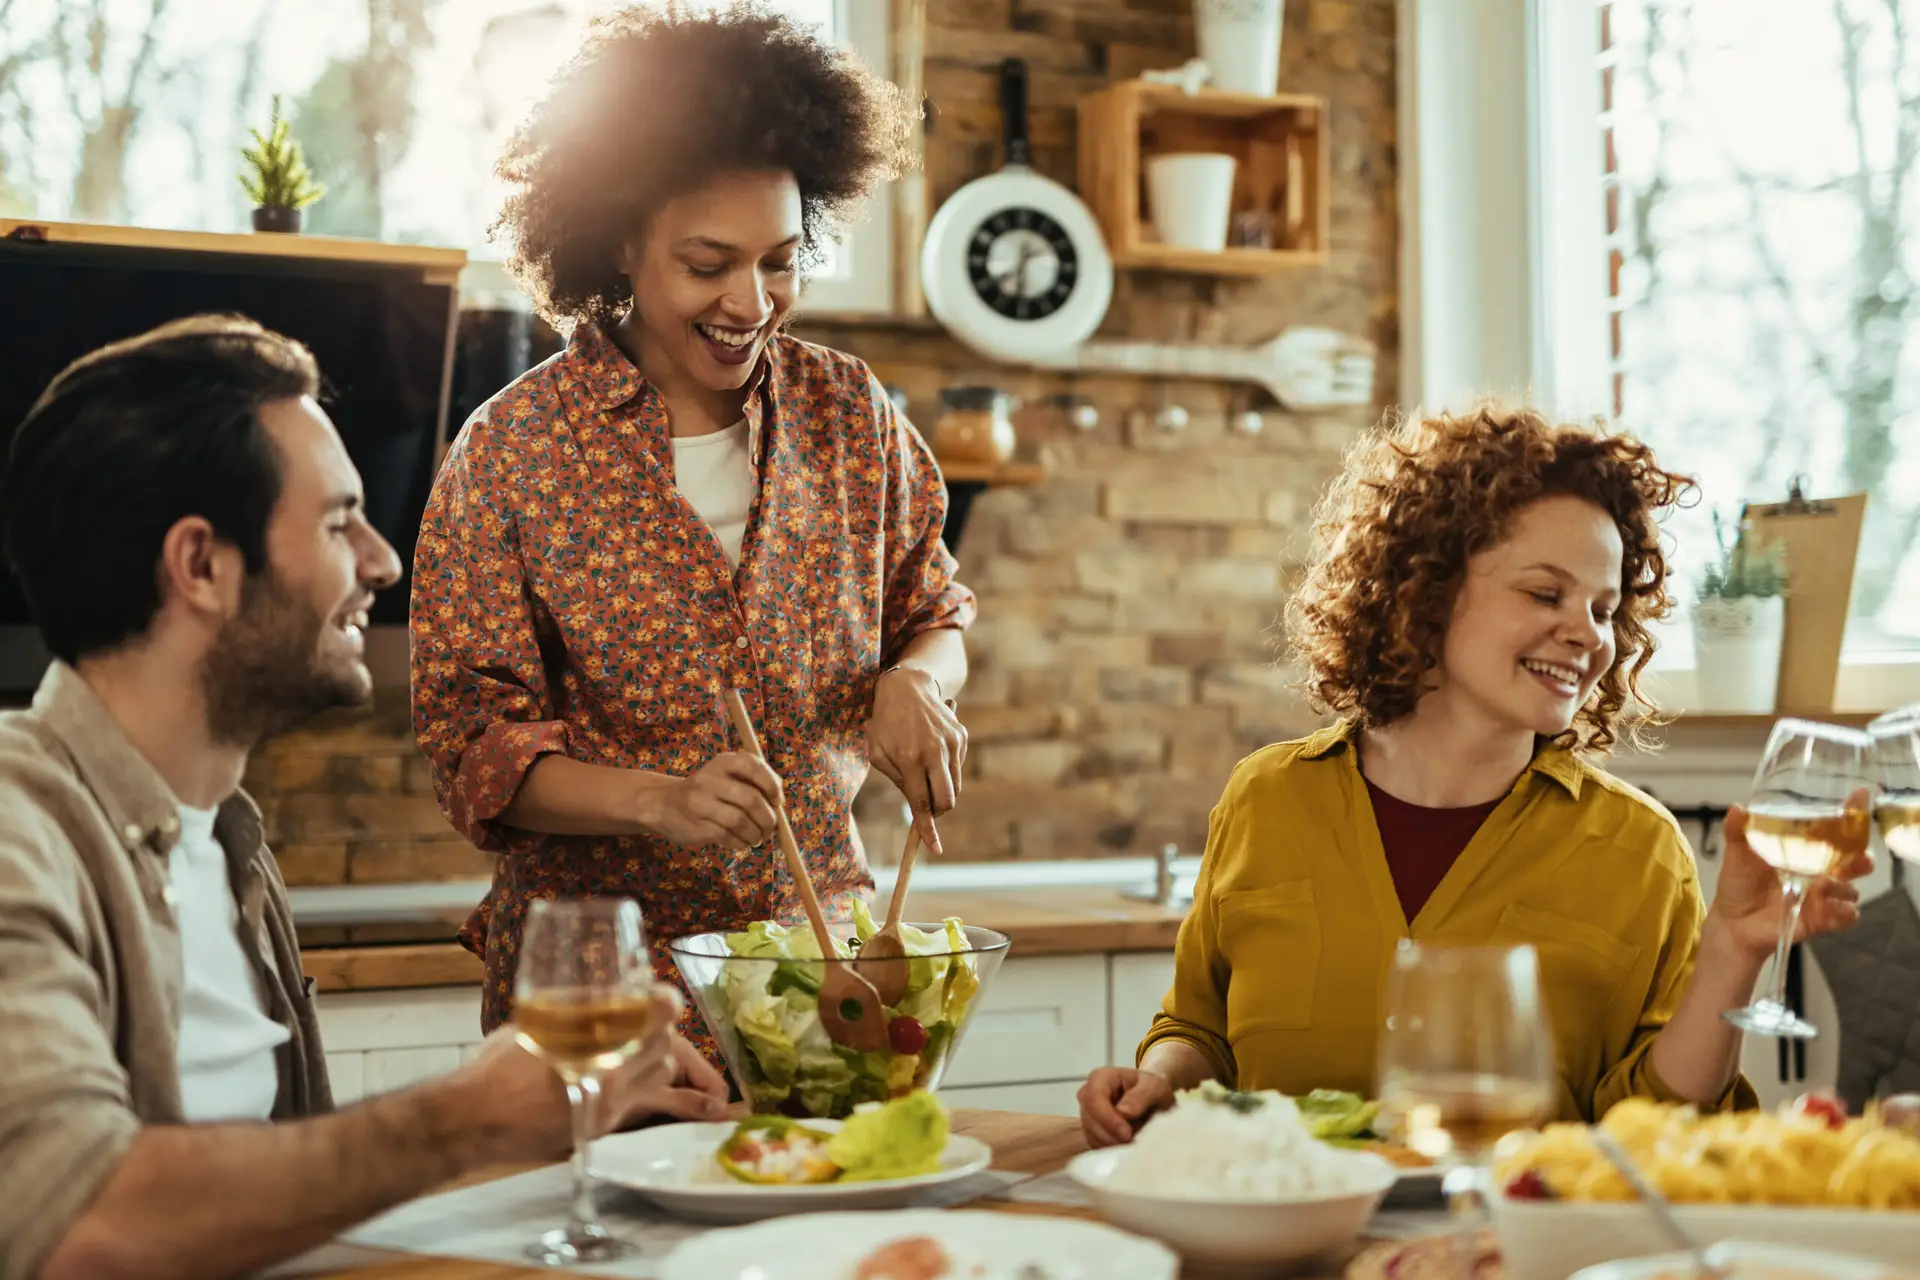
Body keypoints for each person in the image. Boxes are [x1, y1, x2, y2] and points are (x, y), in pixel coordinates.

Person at [0, 314, 728, 1280]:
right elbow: (74, 1225)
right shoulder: (18, 830)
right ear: (201, 565)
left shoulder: (227, 843)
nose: (383, 560)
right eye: (339, 521)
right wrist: (469, 1116)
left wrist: (551, 1137)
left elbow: (271, 1207)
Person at [410, 1, 977, 1060]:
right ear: (622, 242)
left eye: (779, 260)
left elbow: (933, 609)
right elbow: (475, 750)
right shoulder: (512, 452)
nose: (751, 302)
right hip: (607, 992)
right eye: (707, 263)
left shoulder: (847, 415)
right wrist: (660, 802)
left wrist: (919, 681)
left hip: (824, 979)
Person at [1078, 403, 1873, 1147]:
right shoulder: (1266, 798)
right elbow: (1202, 1030)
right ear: (1423, 588)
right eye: (1545, 593)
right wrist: (1159, 1080)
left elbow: (1653, 1129)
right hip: (1279, 1226)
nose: (1586, 636)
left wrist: (1731, 952)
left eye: (1603, 610)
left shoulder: (1639, 851)